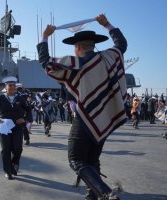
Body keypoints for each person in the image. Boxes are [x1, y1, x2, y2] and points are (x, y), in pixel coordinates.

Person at [37, 14, 127, 200]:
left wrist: (45, 36)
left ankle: (106, 193)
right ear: (93, 45)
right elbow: (121, 44)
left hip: (84, 117)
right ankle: (92, 195)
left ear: (77, 47)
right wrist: (107, 24)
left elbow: (46, 62)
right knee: (92, 159)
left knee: (76, 159)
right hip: (103, 118)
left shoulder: (75, 63)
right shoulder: (109, 57)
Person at [0, 76, 30, 180]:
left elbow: (28, 109)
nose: (12, 87)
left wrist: (23, 118)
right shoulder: (1, 98)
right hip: (4, 126)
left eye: (14, 85)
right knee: (6, 148)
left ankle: (14, 162)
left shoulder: (20, 98)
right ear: (5, 87)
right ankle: (8, 171)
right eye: (10, 85)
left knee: (18, 148)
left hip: (17, 126)